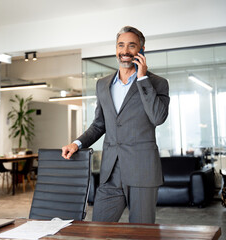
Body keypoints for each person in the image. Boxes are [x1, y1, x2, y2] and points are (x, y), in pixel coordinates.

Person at [61, 26, 170, 224]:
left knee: (141, 235)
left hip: (142, 171)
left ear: (142, 49)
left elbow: (158, 117)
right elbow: (99, 125)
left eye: (131, 45)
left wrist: (142, 78)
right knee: (99, 231)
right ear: (116, 49)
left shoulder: (157, 83)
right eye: (121, 45)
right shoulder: (103, 84)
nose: (125, 50)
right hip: (110, 171)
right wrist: (76, 143)